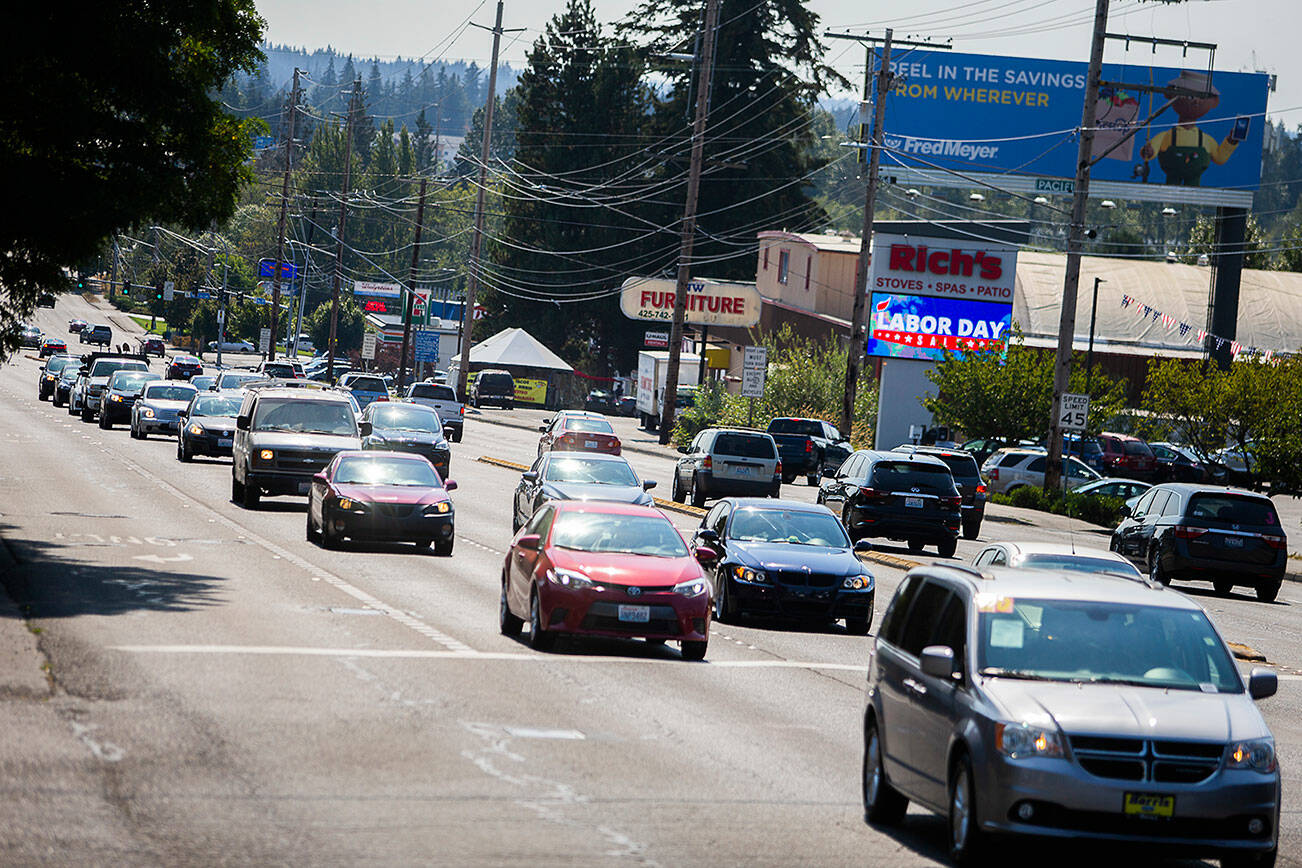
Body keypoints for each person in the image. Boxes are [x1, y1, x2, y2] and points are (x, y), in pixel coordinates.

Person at [1140, 70, 1248, 188]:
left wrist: (1231, 142)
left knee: (1193, 190)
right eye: (1190, 96)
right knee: (1170, 188)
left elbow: (1219, 158)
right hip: (1171, 182)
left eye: (1201, 97)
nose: (1196, 101)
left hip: (1194, 183)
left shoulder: (1206, 140)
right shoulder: (1167, 136)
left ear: (1213, 102)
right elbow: (1151, 150)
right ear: (1171, 95)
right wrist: (1149, 151)